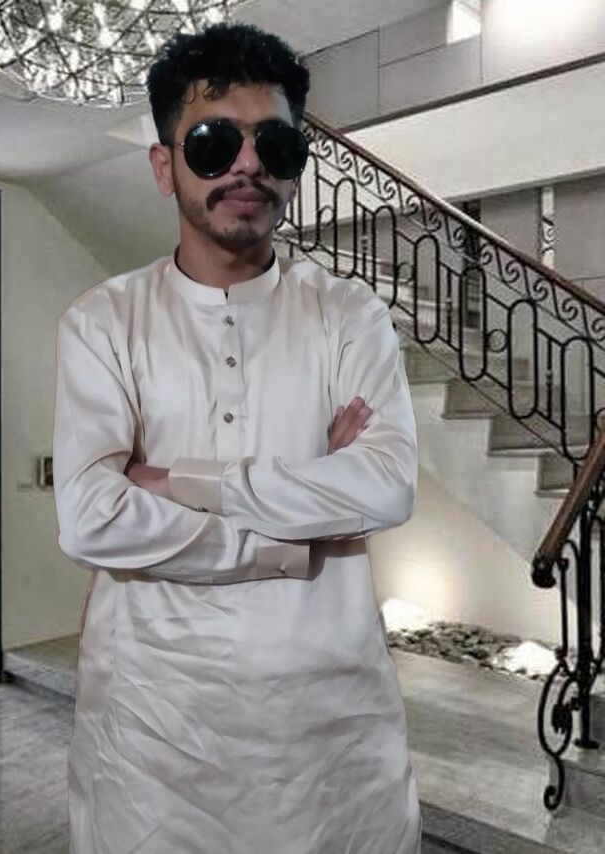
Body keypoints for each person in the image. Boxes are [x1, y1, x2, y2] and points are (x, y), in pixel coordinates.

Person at [53, 20, 421, 854]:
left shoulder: (349, 315)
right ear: (164, 166)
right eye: (214, 143)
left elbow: (386, 485)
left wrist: (176, 481)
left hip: (328, 744)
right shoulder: (104, 323)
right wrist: (298, 529)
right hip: (151, 741)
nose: (248, 165)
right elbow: (90, 518)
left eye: (275, 144)